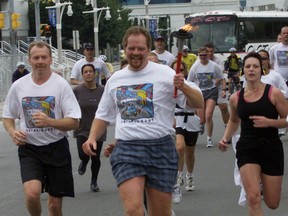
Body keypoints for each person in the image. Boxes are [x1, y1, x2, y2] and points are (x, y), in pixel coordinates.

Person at [82, 26, 203, 216]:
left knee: (160, 212)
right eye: (131, 48)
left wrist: (185, 88)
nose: (136, 53)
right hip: (127, 149)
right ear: (125, 49)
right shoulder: (115, 79)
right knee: (133, 209)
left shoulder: (166, 74)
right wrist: (91, 138)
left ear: (148, 49)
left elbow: (198, 103)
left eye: (140, 48)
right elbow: (103, 115)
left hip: (161, 148)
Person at [2, 41, 81, 216]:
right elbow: (7, 116)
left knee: (54, 206)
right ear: (29, 60)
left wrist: (50, 121)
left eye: (44, 57)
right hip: (29, 148)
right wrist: (13, 132)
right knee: (32, 194)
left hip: (56, 147)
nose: (40, 61)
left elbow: (74, 122)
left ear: (50, 60)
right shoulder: (19, 86)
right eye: (36, 57)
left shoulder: (60, 85)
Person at [218, 52, 288, 216]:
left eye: (255, 66)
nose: (251, 70)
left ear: (261, 70)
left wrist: (270, 122)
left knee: (272, 203)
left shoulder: (273, 93)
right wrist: (225, 138)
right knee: (253, 197)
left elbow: (287, 118)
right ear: (243, 70)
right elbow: (234, 121)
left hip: (271, 148)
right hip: (247, 148)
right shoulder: (235, 98)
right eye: (248, 66)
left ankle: (265, 183)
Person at [170, 60, 202, 204]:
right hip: (176, 118)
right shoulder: (166, 87)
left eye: (181, 70)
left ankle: (190, 175)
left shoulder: (192, 86)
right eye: (176, 70)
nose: (179, 72)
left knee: (189, 152)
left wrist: (183, 88)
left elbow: (197, 103)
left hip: (190, 119)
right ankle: (178, 176)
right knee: (179, 147)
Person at [73, 63, 106, 192]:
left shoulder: (102, 90)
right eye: (85, 72)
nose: (88, 74)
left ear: (95, 73)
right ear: (82, 75)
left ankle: (94, 181)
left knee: (95, 156)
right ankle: (84, 161)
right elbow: (69, 106)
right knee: (83, 153)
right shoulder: (77, 90)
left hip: (98, 128)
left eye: (90, 71)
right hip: (82, 128)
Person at [187, 47, 225, 147]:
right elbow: (189, 81)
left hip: (211, 91)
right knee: (202, 119)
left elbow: (222, 78)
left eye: (205, 55)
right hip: (200, 92)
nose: (203, 57)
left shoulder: (214, 66)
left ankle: (209, 139)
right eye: (201, 55)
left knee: (208, 115)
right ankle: (201, 124)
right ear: (198, 56)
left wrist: (224, 90)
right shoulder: (195, 66)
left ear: (208, 55)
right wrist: (191, 93)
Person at [205, 42, 230, 128]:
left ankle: (228, 126)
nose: (210, 53)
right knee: (201, 109)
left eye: (211, 51)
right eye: (208, 51)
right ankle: (200, 124)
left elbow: (221, 75)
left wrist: (217, 80)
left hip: (218, 86)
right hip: (205, 87)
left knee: (223, 107)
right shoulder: (200, 61)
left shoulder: (218, 61)